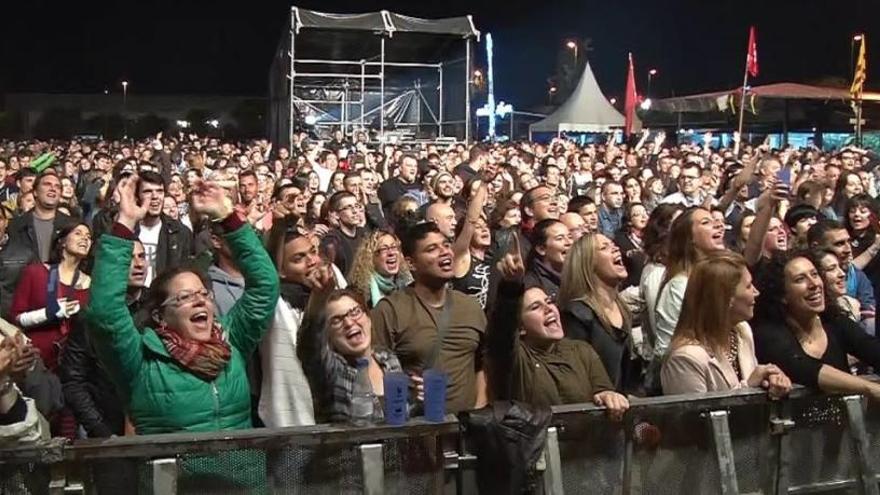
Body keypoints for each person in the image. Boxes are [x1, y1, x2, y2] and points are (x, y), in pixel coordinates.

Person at [84, 177, 279, 434]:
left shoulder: (230, 341)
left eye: (203, 294)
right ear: (160, 315)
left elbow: (265, 287)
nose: (200, 300)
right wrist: (125, 224)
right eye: (185, 297)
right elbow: (105, 312)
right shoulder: (140, 360)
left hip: (242, 472)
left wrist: (227, 216)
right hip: (172, 475)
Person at [487, 234, 629, 417]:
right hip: (537, 444)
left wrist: (608, 396)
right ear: (520, 327)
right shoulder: (517, 361)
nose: (548, 309)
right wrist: (511, 288)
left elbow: (602, 389)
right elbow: (501, 333)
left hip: (584, 443)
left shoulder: (581, 351)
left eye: (549, 302)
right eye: (535, 307)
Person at [371, 222, 488, 414]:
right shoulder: (390, 310)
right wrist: (406, 390)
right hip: (418, 431)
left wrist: (480, 411)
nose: (445, 252)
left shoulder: (470, 306)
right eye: (432, 249)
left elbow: (483, 365)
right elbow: (374, 371)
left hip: (470, 432)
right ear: (410, 263)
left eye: (446, 245)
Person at [661, 252, 792, 397]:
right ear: (727, 298)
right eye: (749, 286)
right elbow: (694, 418)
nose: (756, 292)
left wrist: (769, 379)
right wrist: (747, 388)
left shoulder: (742, 331)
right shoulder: (685, 359)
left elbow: (755, 381)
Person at [753, 252, 880, 399]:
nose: (814, 284)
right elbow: (807, 369)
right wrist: (870, 388)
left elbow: (871, 349)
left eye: (814, 274)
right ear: (782, 295)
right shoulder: (769, 334)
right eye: (800, 279)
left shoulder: (834, 320)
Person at [298, 267, 404, 423]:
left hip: (393, 448)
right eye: (336, 320)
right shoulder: (332, 371)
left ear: (368, 318)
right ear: (328, 335)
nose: (348, 323)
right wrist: (317, 301)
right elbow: (310, 346)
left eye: (354, 312)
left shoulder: (388, 360)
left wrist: (419, 401)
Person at [650, 208, 725, 389]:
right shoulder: (679, 286)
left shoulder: (717, 277)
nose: (717, 225)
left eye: (715, 220)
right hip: (685, 375)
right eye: (706, 222)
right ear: (689, 238)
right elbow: (667, 349)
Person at [559, 233, 642, 393]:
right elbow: (576, 377)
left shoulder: (622, 308)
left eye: (613, 244)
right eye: (605, 247)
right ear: (588, 264)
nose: (616, 248)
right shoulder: (577, 314)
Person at [10, 222, 92, 372]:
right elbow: (16, 317)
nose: (85, 239)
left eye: (88, 237)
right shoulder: (36, 273)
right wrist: (48, 313)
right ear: (62, 242)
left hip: (72, 366)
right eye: (78, 233)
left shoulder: (91, 284)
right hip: (34, 362)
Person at [0, 171, 75, 316]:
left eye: (57, 186)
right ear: (34, 192)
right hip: (21, 301)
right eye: (47, 184)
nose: (52, 188)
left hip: (62, 297)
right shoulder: (15, 226)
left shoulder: (72, 226)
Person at [135, 171, 194, 287]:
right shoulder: (125, 230)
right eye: (148, 192)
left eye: (160, 191)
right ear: (137, 196)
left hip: (162, 299)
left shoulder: (180, 232)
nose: (155, 197)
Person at [348, 230, 411, 308]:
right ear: (371, 257)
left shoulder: (407, 283)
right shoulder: (359, 293)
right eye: (384, 249)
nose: (391, 253)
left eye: (394, 247)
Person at [523, 219, 572, 301]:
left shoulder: (579, 274)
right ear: (541, 249)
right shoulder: (532, 284)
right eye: (560, 238)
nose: (569, 242)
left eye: (570, 237)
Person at [321, 191, 366, 276]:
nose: (355, 211)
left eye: (356, 206)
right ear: (336, 214)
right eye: (348, 207)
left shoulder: (364, 234)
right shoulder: (332, 240)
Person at [614, 202, 649, 289]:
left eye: (645, 212)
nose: (644, 216)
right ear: (629, 221)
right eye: (637, 214)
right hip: (631, 288)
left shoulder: (655, 236)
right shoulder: (620, 241)